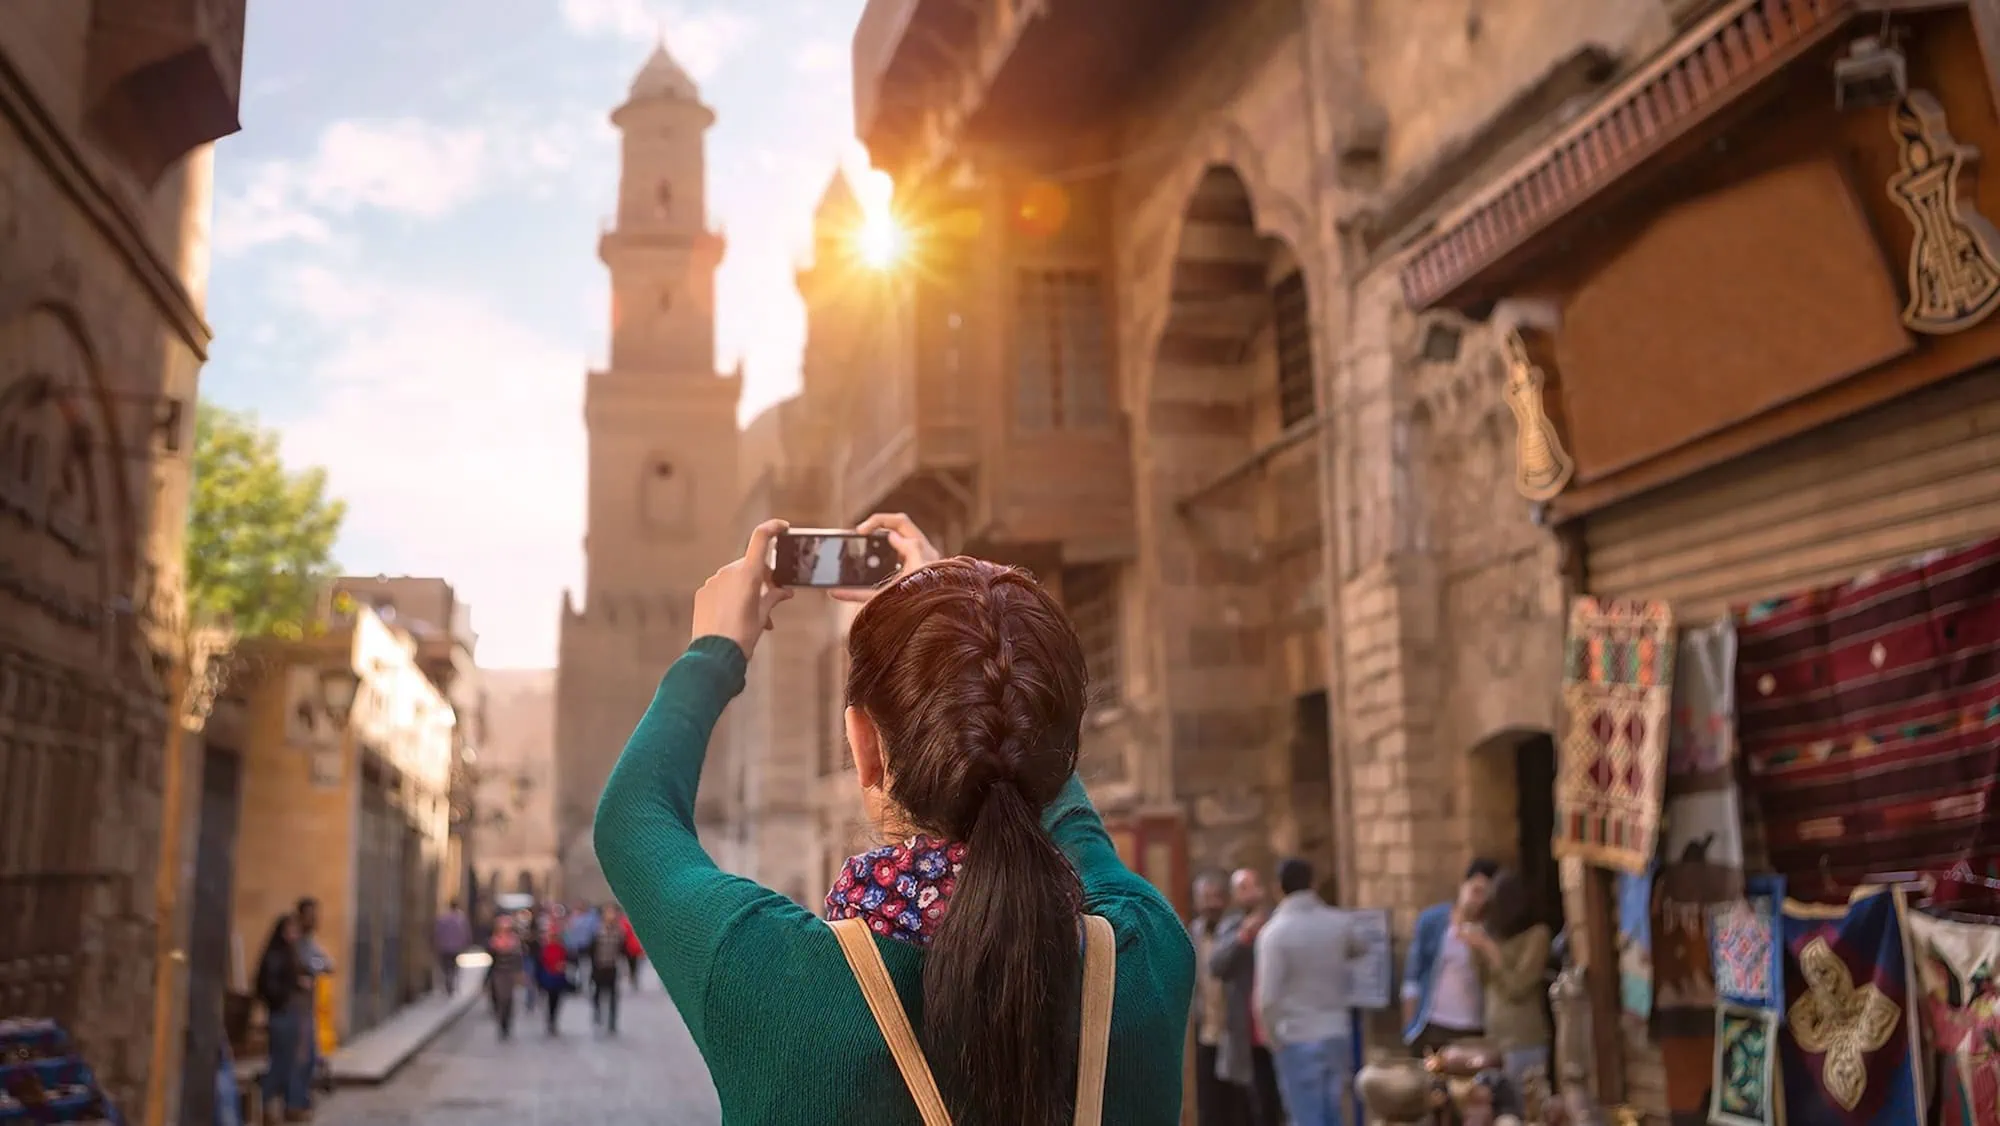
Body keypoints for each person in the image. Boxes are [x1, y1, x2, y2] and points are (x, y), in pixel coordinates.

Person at [594, 514, 1195, 1123]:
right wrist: (969, 629)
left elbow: (632, 821)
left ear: (865, 746)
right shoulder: (1145, 955)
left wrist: (715, 651)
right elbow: (1072, 822)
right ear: (1059, 741)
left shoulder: (772, 980)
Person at [1253, 858, 1369, 1126]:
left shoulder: (1274, 933)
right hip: (1336, 1031)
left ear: (1278, 888)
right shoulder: (1338, 924)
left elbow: (1267, 999)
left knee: (1306, 1117)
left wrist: (1272, 1037)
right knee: (1335, 1115)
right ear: (1313, 884)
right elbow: (1362, 946)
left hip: (1296, 1033)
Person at [1464, 870, 1554, 1099]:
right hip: (1494, 1041)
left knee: (1522, 1109)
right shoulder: (1495, 935)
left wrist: (1491, 951)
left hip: (1523, 1041)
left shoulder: (1537, 935)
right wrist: (1476, 943)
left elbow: (1518, 987)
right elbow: (1484, 980)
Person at [1402, 858, 1499, 1052]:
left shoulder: (1492, 931)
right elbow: (1412, 978)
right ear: (1463, 887)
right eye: (1475, 891)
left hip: (1474, 1026)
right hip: (1434, 1022)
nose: (1477, 900)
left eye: (1484, 895)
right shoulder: (1433, 922)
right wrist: (1408, 1026)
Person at [1210, 867, 1283, 1125]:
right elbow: (1216, 966)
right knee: (1250, 1105)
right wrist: (1243, 937)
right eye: (1242, 888)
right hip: (1245, 1031)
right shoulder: (1230, 927)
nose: (1248, 893)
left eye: (1251, 886)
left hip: (1276, 1026)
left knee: (1277, 1101)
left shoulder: (1278, 921)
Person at [1188, 873, 1246, 1126]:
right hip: (1206, 1029)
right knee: (1209, 1103)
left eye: (1216, 897)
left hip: (1234, 1029)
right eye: (1205, 898)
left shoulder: (1235, 930)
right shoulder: (1193, 932)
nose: (1211, 904)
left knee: (1238, 1102)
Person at [253, 914, 311, 1124]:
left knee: (289, 1061)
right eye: (292, 929)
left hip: (288, 1012)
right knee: (281, 1062)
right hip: (282, 1014)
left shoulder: (288, 954)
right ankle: (265, 1102)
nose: (295, 934)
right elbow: (268, 986)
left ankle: (283, 1106)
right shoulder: (276, 956)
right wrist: (287, 994)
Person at [294, 897, 333, 1099]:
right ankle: (296, 1102)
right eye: (310, 915)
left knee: (308, 1055)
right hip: (295, 1009)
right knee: (300, 1057)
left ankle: (301, 1100)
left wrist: (319, 966)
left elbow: (326, 963)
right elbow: (309, 964)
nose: (314, 920)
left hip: (308, 1007)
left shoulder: (310, 943)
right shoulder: (296, 942)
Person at [486, 915, 525, 1040]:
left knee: (509, 1000)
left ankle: (506, 1024)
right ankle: (502, 1024)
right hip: (498, 973)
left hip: (510, 974)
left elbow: (519, 961)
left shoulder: (515, 942)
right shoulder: (494, 942)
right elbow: (491, 961)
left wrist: (519, 974)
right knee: (501, 999)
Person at [589, 905, 628, 1033]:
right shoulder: (596, 931)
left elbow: (623, 950)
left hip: (611, 967)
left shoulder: (619, 932)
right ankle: (598, 1014)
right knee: (597, 993)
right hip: (599, 966)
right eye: (608, 913)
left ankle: (612, 1022)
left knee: (613, 996)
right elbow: (591, 949)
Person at [534, 917, 573, 1035]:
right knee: (550, 1000)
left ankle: (553, 1020)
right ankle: (550, 1020)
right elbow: (540, 964)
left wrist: (562, 966)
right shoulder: (544, 949)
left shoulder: (562, 949)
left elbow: (567, 960)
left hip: (558, 978)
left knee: (556, 1001)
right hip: (548, 978)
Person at [433, 899, 470, 997]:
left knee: (445, 967)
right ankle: (451, 983)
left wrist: (437, 944)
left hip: (444, 947)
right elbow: (465, 933)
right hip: (456, 948)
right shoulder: (460, 919)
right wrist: (465, 944)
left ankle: (448, 983)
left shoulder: (443, 918)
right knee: (453, 967)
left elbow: (437, 932)